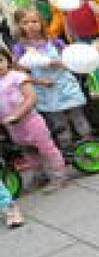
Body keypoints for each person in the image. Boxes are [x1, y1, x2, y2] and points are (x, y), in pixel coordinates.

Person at [9, 7, 89, 147]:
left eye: (34, 21)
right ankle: (67, 146)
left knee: (77, 114)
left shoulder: (54, 41)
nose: (31, 25)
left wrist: (56, 62)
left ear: (41, 22)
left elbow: (70, 61)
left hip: (64, 83)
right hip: (44, 87)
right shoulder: (20, 47)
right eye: (25, 22)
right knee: (58, 120)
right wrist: (35, 75)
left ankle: (89, 141)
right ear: (19, 26)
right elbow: (20, 71)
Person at [0, 46, 69, 192]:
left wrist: (17, 115)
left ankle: (59, 176)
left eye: (0, 60)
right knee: (28, 152)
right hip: (13, 127)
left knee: (46, 149)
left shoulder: (17, 77)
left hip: (30, 122)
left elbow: (31, 97)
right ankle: (40, 175)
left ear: (8, 60)